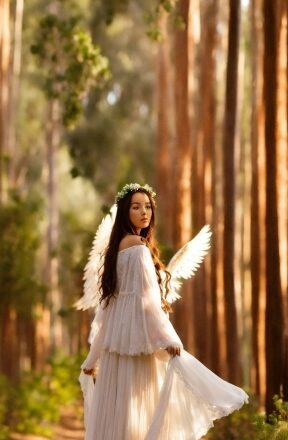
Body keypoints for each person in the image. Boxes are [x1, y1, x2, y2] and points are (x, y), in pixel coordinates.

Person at [79, 183, 248, 440]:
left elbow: (107, 312)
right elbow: (147, 301)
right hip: (138, 345)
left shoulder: (115, 251)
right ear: (125, 212)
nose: (144, 212)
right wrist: (168, 338)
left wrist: (93, 358)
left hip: (116, 347)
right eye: (136, 207)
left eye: (147, 207)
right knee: (142, 414)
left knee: (121, 413)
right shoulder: (137, 247)